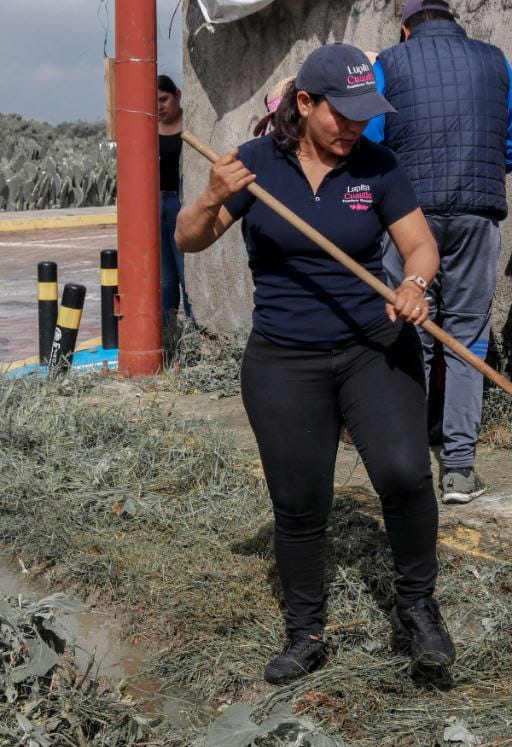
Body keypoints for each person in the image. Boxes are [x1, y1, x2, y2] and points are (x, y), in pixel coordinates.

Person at [176, 43, 452, 686]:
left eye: (365, 114)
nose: (356, 127)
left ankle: (418, 608)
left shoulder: (378, 167)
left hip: (372, 345)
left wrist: (415, 285)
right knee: (300, 501)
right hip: (284, 358)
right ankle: (306, 631)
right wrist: (212, 194)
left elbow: (420, 246)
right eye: (343, 114)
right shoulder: (253, 166)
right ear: (305, 104)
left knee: (406, 474)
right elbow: (190, 237)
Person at [365, 0, 512, 504]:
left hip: (407, 218)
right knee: (467, 339)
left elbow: (369, 139)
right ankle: (458, 469)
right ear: (452, 17)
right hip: (476, 215)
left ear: (405, 27)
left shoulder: (389, 64)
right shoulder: (495, 59)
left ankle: (411, 452)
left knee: (410, 326)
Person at [157, 75, 191, 327]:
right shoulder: (147, 128)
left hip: (182, 204)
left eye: (163, 99)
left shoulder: (191, 125)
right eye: (153, 101)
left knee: (185, 273)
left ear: (177, 95)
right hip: (156, 206)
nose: (158, 106)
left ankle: (194, 332)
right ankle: (169, 336)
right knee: (165, 279)